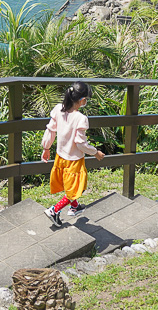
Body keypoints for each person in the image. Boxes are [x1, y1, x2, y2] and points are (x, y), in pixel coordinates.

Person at [41, 81, 105, 227]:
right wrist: (95, 153)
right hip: (74, 160)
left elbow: (50, 130)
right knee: (76, 187)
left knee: (69, 184)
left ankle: (75, 207)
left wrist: (46, 148)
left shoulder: (58, 109)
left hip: (60, 156)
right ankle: (54, 210)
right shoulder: (81, 119)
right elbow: (80, 143)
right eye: (86, 100)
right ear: (82, 101)